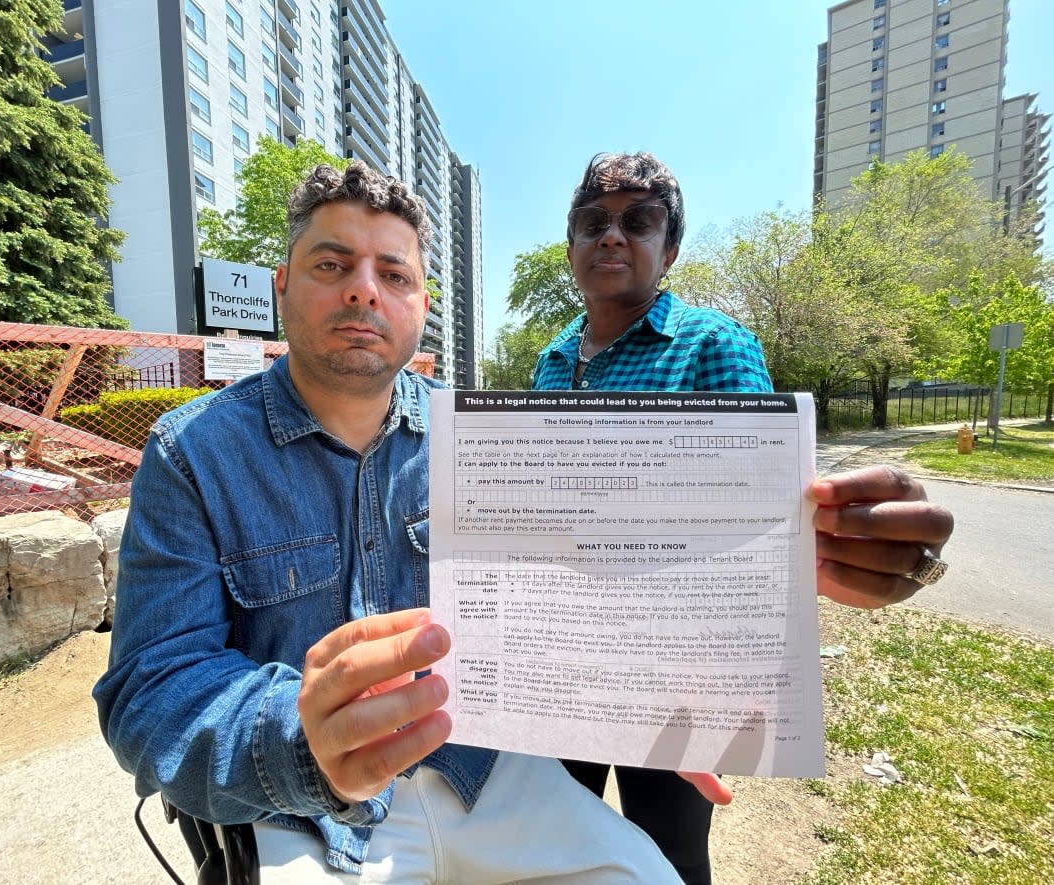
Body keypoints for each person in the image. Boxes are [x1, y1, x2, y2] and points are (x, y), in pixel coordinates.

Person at [94, 161, 681, 882]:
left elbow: (562, 597)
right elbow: (151, 690)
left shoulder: (479, 438)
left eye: (393, 275)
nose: (364, 288)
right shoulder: (191, 455)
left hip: (483, 774)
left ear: (421, 303)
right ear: (282, 287)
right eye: (332, 262)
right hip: (298, 810)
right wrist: (304, 739)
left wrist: (680, 674)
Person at [532, 151, 956, 884]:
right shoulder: (551, 358)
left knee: (668, 846)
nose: (611, 236)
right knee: (557, 835)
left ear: (670, 248)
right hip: (570, 653)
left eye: (638, 221)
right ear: (570, 243)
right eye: (592, 221)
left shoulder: (713, 345)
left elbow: (763, 514)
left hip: (679, 665)